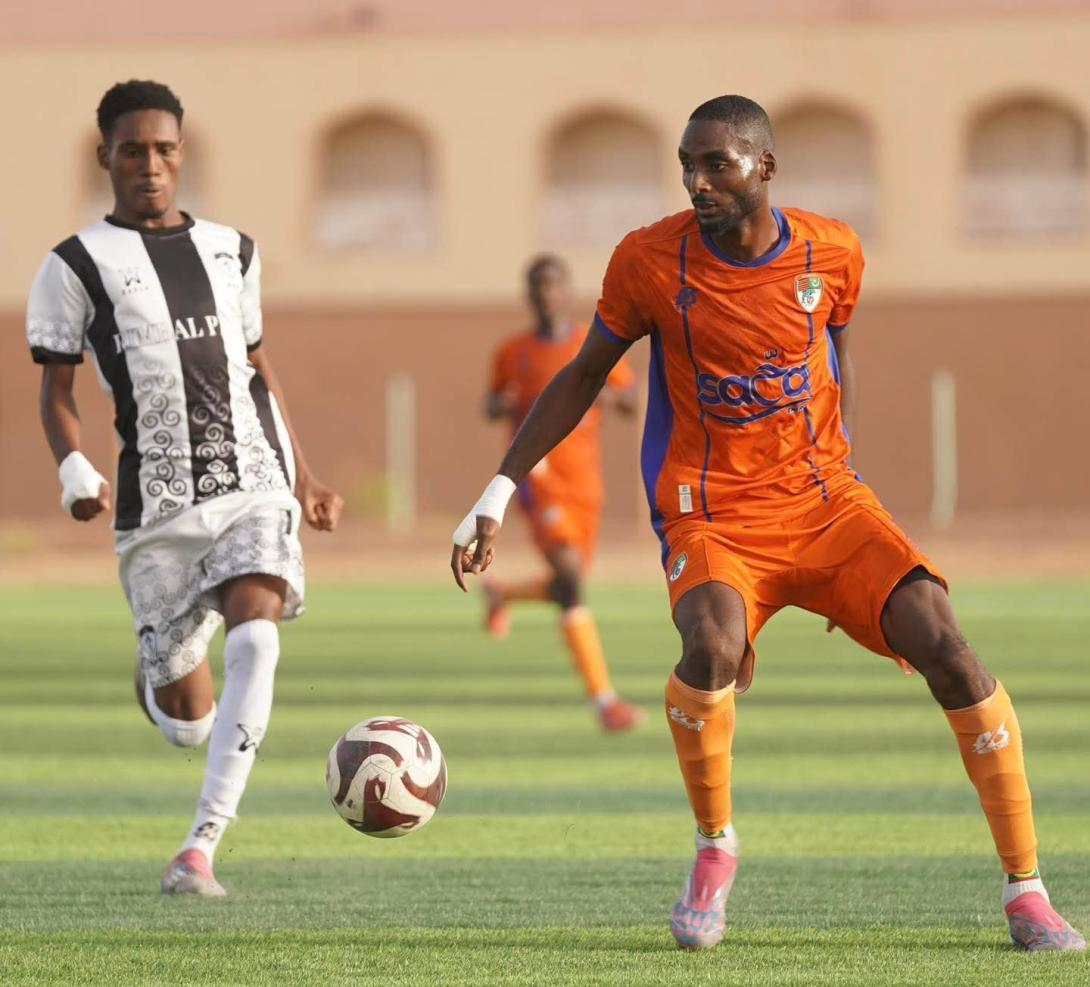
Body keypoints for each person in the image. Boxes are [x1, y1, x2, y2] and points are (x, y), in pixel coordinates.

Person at [450, 95, 1084, 952]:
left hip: (825, 501)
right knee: (709, 647)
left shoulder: (834, 250)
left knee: (947, 643)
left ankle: (1027, 889)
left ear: (766, 167)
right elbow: (583, 375)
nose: (697, 181)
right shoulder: (648, 260)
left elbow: (838, 348)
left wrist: (838, 457)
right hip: (711, 510)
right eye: (687, 165)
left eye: (717, 163)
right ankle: (715, 846)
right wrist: (497, 489)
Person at [27, 79, 343, 897]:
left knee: (258, 638)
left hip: (252, 482)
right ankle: (158, 673)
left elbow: (256, 368)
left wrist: (303, 475)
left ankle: (200, 846)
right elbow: (56, 390)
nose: (151, 165)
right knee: (188, 724)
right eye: (132, 150)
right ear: (106, 157)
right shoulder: (73, 265)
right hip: (156, 509)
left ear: (182, 153)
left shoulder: (233, 250)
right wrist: (73, 467)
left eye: (164, 149)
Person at [483, 254, 643, 732]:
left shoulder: (591, 345)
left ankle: (504, 593)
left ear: (568, 292)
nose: (546, 294)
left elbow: (631, 401)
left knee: (567, 584)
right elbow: (491, 404)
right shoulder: (513, 352)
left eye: (554, 285)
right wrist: (500, 404)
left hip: (585, 483)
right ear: (529, 295)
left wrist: (604, 393)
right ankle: (604, 701)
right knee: (571, 577)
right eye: (538, 286)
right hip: (541, 479)